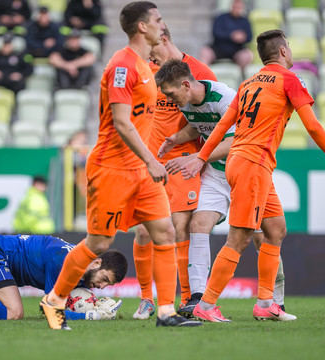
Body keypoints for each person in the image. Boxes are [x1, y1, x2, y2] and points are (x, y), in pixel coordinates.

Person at [39, 1, 202, 330]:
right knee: (98, 243)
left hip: (140, 172)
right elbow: (122, 123)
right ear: (142, 26)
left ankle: (166, 311)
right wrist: (152, 160)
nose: (162, 25)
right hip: (113, 169)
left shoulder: (145, 65)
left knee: (165, 231)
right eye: (156, 20)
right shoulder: (123, 65)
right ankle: (55, 300)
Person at [183, 29, 325, 322]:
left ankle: (265, 303)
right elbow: (311, 126)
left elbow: (222, 127)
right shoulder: (290, 79)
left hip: (242, 161)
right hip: (253, 164)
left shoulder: (247, 83)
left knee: (275, 229)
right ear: (284, 52)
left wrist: (200, 157)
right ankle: (206, 306)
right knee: (240, 238)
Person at [155, 59, 288, 318]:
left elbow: (239, 139)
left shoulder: (224, 97)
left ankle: (275, 300)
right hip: (217, 174)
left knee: (264, 237)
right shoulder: (186, 104)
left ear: (185, 84)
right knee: (198, 224)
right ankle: (197, 298)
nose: (170, 100)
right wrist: (175, 139)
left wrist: (197, 158)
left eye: (171, 94)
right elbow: (199, 127)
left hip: (247, 171)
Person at [131, 25, 217, 320]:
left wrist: (201, 157)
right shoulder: (144, 71)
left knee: (179, 227)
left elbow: (213, 118)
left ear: (164, 40)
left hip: (182, 160)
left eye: (152, 49)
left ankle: (185, 298)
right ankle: (145, 299)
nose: (149, 55)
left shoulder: (200, 71)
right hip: (150, 161)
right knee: (143, 230)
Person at [199, 0, 252, 70]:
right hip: (218, 49)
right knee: (205, 51)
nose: (237, 8)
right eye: (235, 6)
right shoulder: (221, 17)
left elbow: (250, 37)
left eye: (239, 7)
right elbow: (215, 32)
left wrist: (243, 38)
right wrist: (232, 36)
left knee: (247, 55)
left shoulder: (245, 21)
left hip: (236, 50)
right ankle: (203, 76)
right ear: (231, 6)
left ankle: (243, 78)